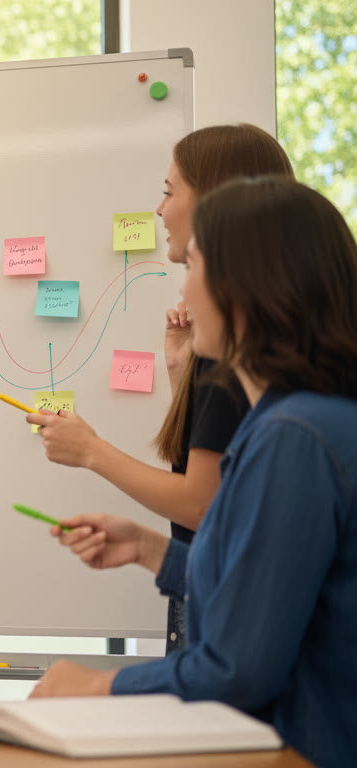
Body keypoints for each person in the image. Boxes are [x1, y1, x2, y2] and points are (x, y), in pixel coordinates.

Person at [29, 177, 357, 768]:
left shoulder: (295, 438)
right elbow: (270, 591)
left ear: (241, 288)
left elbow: (239, 669)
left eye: (195, 263)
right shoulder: (285, 422)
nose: (183, 284)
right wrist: (155, 551)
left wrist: (95, 686)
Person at [25, 124, 293, 650]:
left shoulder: (248, 348)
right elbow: (227, 470)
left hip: (222, 612)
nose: (158, 210)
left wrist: (91, 451)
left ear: (218, 205)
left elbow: (202, 502)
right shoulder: (246, 347)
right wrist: (182, 380)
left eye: (169, 192)